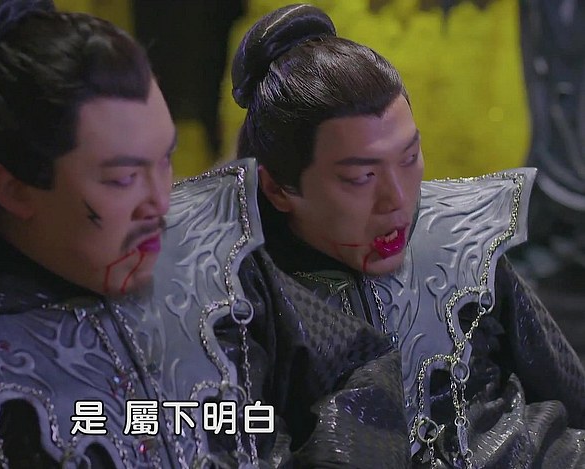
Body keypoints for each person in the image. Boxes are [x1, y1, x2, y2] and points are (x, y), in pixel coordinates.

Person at [0, 0, 410, 467]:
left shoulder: (213, 271)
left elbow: (355, 367)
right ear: (15, 188)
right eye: (120, 178)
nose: (160, 203)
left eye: (164, 161)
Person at [231, 4, 585, 468]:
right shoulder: (241, 302)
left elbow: (568, 390)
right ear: (278, 188)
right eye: (360, 178)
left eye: (409, 157)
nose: (398, 199)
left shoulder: (460, 243)